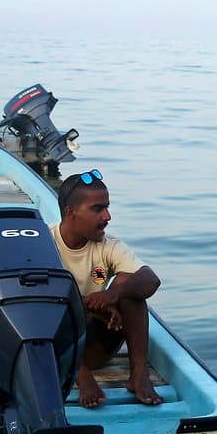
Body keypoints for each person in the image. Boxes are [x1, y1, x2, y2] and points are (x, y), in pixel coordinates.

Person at [50, 169, 163, 408]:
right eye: (97, 209)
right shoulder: (44, 243)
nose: (108, 216)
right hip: (55, 348)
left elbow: (151, 280)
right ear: (71, 213)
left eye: (107, 207)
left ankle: (138, 376)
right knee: (51, 299)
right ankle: (80, 374)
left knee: (132, 289)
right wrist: (92, 305)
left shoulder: (107, 244)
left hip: (94, 346)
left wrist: (112, 295)